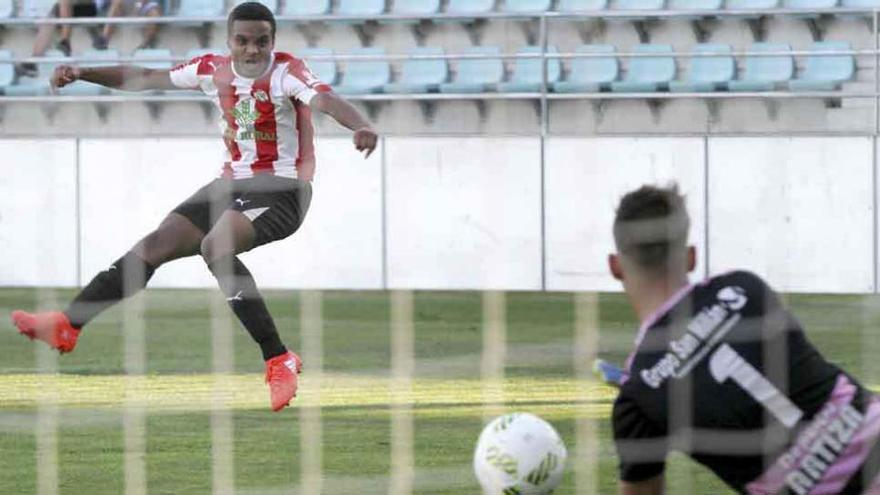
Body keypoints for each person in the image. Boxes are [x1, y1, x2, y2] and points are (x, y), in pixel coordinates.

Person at [10, 2, 378, 413]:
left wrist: (359, 124)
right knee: (155, 245)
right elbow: (145, 77)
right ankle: (67, 325)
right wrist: (84, 72)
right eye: (242, 41)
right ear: (229, 42)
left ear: (273, 42)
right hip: (230, 183)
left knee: (215, 246)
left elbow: (326, 100)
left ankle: (278, 358)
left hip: (282, 190)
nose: (252, 50)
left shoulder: (287, 73)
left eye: (261, 41)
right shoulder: (211, 69)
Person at [604, 184, 880, 494]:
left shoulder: (639, 395)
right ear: (691, 257)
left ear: (614, 266)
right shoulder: (745, 288)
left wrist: (647, 400)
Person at [17, 0, 162, 77]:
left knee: (151, 11)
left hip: (135, 4)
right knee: (58, 8)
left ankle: (145, 45)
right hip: (98, 5)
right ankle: (53, 48)